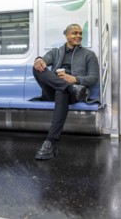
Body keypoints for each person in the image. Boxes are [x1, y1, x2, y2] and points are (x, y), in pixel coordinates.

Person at [33, 23, 99, 160]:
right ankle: (66, 87)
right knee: (36, 68)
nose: (78, 36)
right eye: (75, 33)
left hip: (73, 92)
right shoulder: (56, 52)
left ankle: (50, 142)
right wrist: (38, 59)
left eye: (80, 33)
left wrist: (74, 79)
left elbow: (93, 78)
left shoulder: (89, 55)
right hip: (64, 90)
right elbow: (43, 62)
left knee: (61, 92)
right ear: (66, 35)